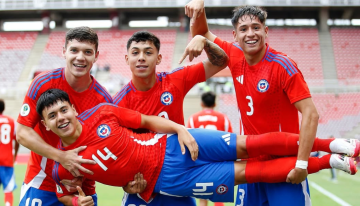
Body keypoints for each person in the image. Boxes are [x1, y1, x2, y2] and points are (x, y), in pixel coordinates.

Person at [40, 89, 358, 204]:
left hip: (174, 144)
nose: (61, 118)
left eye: (63, 110)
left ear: (73, 108)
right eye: (52, 117)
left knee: (253, 144)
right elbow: (71, 193)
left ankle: (334, 144)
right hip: (169, 180)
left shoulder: (101, 112)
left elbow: (148, 121)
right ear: (46, 126)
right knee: (252, 172)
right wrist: (75, 201)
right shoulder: (60, 165)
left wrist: (180, 128)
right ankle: (330, 163)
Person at [186, 1, 320, 205]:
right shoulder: (234, 56)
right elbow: (203, 31)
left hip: (284, 166)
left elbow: (311, 114)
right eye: (244, 29)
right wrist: (199, 8)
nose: (250, 34)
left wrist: (301, 164)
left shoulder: (283, 65)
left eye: (256, 28)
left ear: (265, 31)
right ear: (235, 36)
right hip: (251, 168)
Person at [113, 31, 229, 205]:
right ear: (126, 58)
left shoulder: (175, 80)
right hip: (142, 190)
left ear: (159, 58)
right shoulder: (118, 103)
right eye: (135, 52)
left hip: (179, 182)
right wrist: (124, 183)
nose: (141, 58)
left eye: (148, 52)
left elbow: (221, 61)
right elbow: (114, 152)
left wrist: (203, 41)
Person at [16, 26, 113, 206]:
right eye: (74, 50)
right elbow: (22, 132)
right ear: (64, 52)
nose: (80, 57)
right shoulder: (42, 83)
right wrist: (62, 157)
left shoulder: (104, 100)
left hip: (82, 191)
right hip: (41, 183)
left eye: (87, 51)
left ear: (96, 56)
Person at [187, 91, 233, 206]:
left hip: (201, 161)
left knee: (203, 196)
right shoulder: (224, 118)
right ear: (215, 104)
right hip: (219, 160)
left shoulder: (193, 118)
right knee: (220, 193)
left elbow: (188, 140)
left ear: (202, 104)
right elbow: (231, 140)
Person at [0, 99, 20, 206]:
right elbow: (17, 139)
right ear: (4, 108)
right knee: (8, 189)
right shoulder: (11, 121)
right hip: (7, 159)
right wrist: (14, 156)